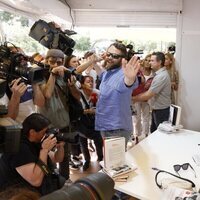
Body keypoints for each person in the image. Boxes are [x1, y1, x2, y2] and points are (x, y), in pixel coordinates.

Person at [0, 113, 65, 195]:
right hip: (15, 194)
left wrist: (60, 147)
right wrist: (44, 150)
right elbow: (36, 181)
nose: (47, 135)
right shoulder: (19, 148)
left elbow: (57, 158)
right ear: (32, 132)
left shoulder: (35, 141)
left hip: (29, 189)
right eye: (44, 132)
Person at [93, 42, 140, 146]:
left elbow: (127, 83)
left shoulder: (124, 74)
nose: (109, 57)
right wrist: (94, 62)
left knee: (114, 162)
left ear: (123, 59)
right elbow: (101, 74)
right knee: (112, 161)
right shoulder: (109, 72)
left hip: (116, 129)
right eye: (108, 54)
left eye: (114, 56)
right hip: (106, 126)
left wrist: (130, 78)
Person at [133, 52, 171, 133]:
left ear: (159, 62)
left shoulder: (161, 76)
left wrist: (133, 99)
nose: (150, 62)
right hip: (157, 109)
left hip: (161, 110)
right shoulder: (158, 74)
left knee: (160, 134)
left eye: (152, 61)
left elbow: (149, 94)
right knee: (154, 132)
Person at [78, 75, 103, 171]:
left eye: (92, 81)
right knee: (83, 143)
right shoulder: (78, 93)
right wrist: (85, 112)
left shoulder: (97, 93)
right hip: (82, 123)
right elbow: (76, 109)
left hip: (95, 122)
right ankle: (87, 160)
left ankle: (100, 159)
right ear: (82, 84)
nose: (91, 83)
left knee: (98, 142)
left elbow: (103, 108)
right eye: (88, 81)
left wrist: (94, 111)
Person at [132, 54, 154, 142]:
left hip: (147, 98)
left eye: (150, 61)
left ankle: (145, 135)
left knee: (146, 117)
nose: (148, 62)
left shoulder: (154, 73)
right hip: (136, 97)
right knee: (136, 118)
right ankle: (137, 135)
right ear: (144, 60)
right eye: (147, 60)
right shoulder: (138, 70)